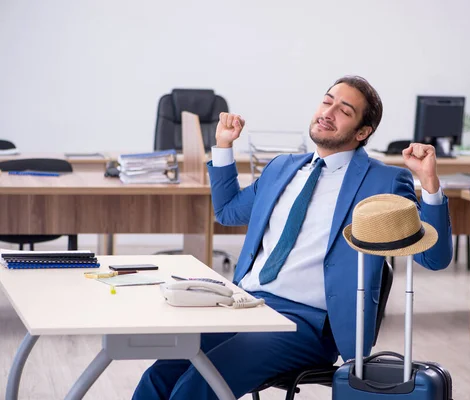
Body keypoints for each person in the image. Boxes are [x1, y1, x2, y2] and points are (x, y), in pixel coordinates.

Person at [133, 75, 453, 399]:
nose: (328, 112)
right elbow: (228, 211)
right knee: (159, 376)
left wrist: (429, 183)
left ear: (362, 132)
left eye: (344, 110)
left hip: (307, 323)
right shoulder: (282, 167)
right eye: (327, 101)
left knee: (199, 384)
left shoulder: (382, 180)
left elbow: (434, 257)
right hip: (244, 305)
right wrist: (224, 146)